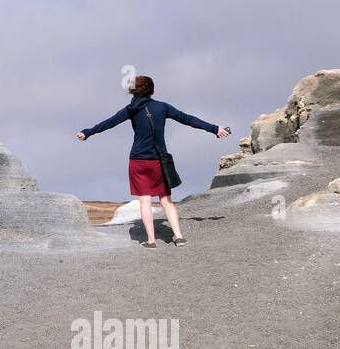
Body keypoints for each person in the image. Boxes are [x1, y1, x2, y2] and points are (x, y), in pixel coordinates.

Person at [76, 75, 229, 248]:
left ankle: (151, 240)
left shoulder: (130, 109)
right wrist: (215, 129)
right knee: (166, 200)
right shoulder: (162, 107)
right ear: (153, 90)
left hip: (138, 161)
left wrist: (87, 132)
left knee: (145, 200)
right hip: (158, 161)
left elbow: (109, 123)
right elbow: (188, 119)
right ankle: (179, 237)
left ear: (134, 91)